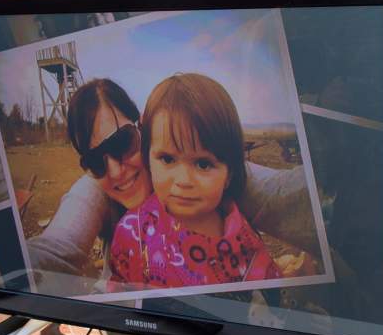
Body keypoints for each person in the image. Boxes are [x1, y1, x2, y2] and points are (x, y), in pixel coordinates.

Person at [25, 78, 311, 284]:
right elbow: (56, 249)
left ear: (142, 129)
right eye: (95, 161)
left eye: (122, 143)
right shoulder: (100, 197)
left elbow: (286, 196)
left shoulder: (220, 183)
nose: (115, 171)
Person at [108, 74, 282, 290]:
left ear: (229, 174)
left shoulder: (243, 234)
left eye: (203, 164)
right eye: (168, 159)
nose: (183, 181)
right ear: (148, 159)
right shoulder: (133, 232)